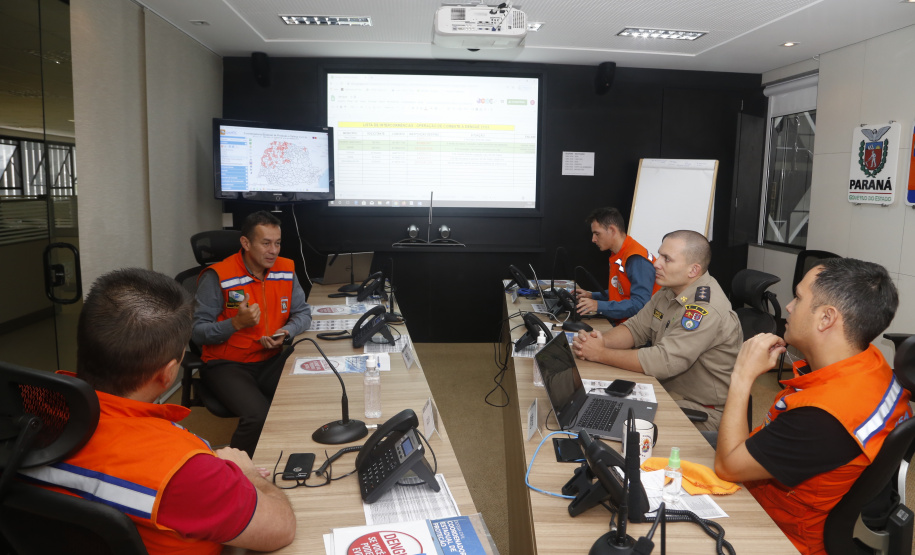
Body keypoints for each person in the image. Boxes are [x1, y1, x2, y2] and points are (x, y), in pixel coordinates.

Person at [22, 268, 296, 554]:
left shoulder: (24, 406)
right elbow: (281, 527)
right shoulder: (184, 466)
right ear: (167, 374)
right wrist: (246, 473)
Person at [715, 258, 911, 554]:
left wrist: (742, 376)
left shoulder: (823, 417)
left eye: (798, 297)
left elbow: (727, 466)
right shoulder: (871, 362)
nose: (790, 307)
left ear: (826, 318)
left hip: (788, 537)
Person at [572, 230, 742, 431]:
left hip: (702, 412)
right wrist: (599, 341)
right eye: (659, 255)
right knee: (595, 408)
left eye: (667, 259)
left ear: (693, 270)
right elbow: (635, 329)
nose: (656, 263)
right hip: (666, 393)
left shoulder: (704, 309)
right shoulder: (670, 290)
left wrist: (600, 353)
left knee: (615, 424)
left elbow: (663, 361)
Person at [193, 211, 312, 457]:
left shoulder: (286, 269)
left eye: (277, 243)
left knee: (308, 392)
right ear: (246, 243)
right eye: (266, 243)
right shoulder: (219, 276)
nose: (273, 251)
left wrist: (287, 332)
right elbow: (197, 332)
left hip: (270, 358)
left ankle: (286, 454)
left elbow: (303, 314)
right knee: (258, 415)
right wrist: (234, 324)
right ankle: (235, 471)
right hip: (227, 364)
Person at [574, 207, 660, 323]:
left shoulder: (636, 259)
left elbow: (640, 304)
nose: (593, 239)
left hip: (638, 331)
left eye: (597, 234)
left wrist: (598, 306)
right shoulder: (620, 253)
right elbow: (622, 292)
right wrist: (592, 296)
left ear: (612, 230)